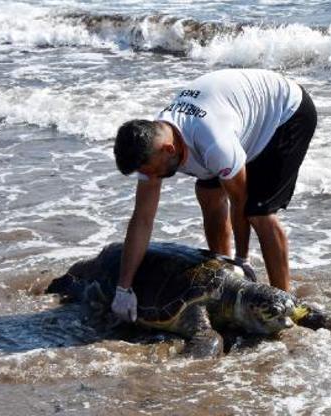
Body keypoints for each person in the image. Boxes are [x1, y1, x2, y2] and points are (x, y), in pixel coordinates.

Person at [111, 68, 317, 322]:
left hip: (285, 114)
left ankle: (285, 305)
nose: (149, 177)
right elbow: (142, 219)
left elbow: (239, 201)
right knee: (207, 195)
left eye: (151, 171)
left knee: (258, 211)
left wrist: (243, 259)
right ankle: (224, 288)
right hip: (235, 121)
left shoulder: (214, 143)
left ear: (168, 149)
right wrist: (123, 288)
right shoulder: (151, 146)